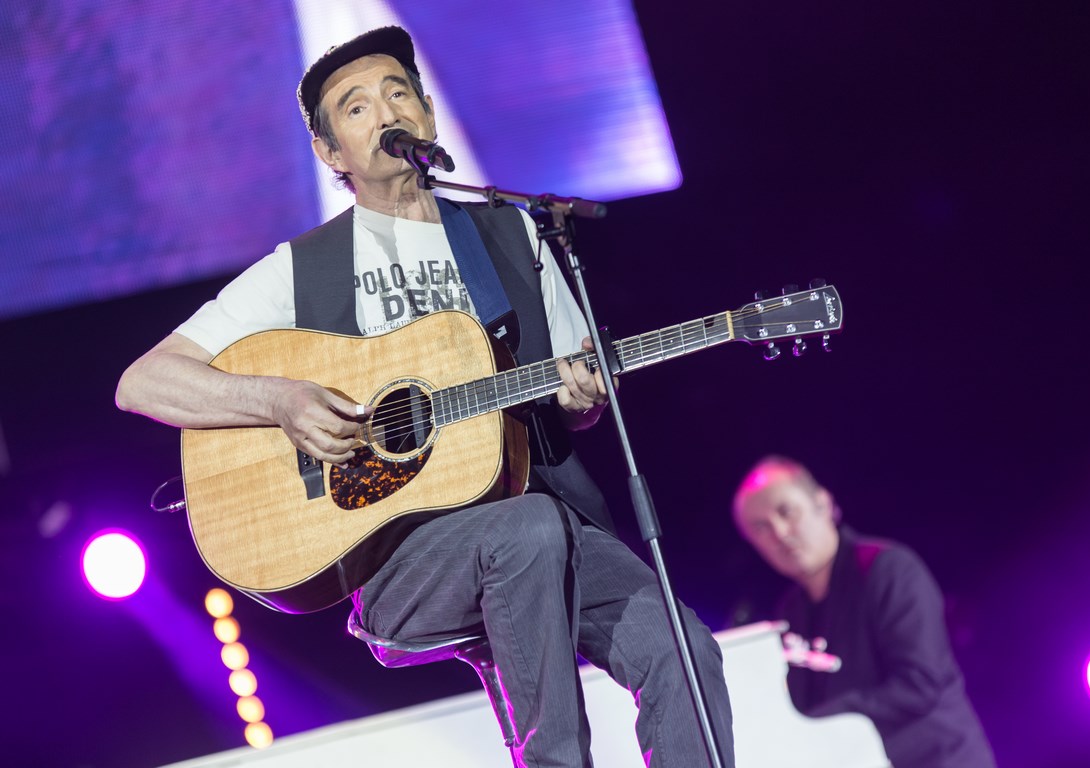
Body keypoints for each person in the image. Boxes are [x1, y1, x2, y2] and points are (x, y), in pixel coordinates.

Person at [116, 26, 734, 768]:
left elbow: (578, 399)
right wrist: (280, 401)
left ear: (429, 115)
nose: (386, 112)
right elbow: (143, 381)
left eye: (398, 93)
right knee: (526, 530)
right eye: (356, 107)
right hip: (398, 558)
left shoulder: (511, 235)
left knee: (683, 651)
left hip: (537, 512)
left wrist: (583, 400)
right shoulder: (303, 270)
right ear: (329, 152)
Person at [731, 455, 995, 767]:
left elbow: (920, 683)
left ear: (823, 504)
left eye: (786, 511)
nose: (779, 533)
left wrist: (818, 723)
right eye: (761, 527)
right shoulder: (791, 611)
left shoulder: (889, 569)